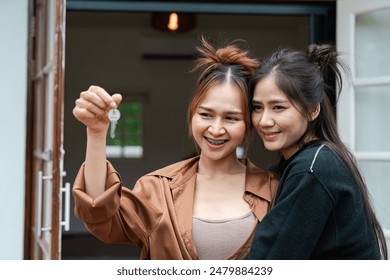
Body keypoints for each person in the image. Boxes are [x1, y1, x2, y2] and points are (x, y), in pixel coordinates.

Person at [72, 36, 278, 260]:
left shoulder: (274, 190)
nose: (216, 129)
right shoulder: (159, 189)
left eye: (231, 118)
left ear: (249, 123)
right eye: (206, 114)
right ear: (192, 115)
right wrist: (96, 133)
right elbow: (99, 215)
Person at [246, 44, 388, 259]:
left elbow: (268, 261)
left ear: (313, 110)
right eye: (257, 108)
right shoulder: (312, 160)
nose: (264, 121)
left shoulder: (312, 170)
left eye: (278, 107)